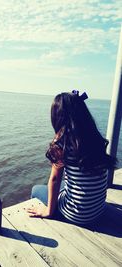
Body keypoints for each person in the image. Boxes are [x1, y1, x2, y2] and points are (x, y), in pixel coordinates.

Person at [27, 90, 116, 225]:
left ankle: (50, 217)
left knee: (36, 189)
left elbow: (55, 179)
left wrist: (48, 212)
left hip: (76, 215)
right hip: (97, 209)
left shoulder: (62, 144)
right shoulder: (95, 138)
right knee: (64, 185)